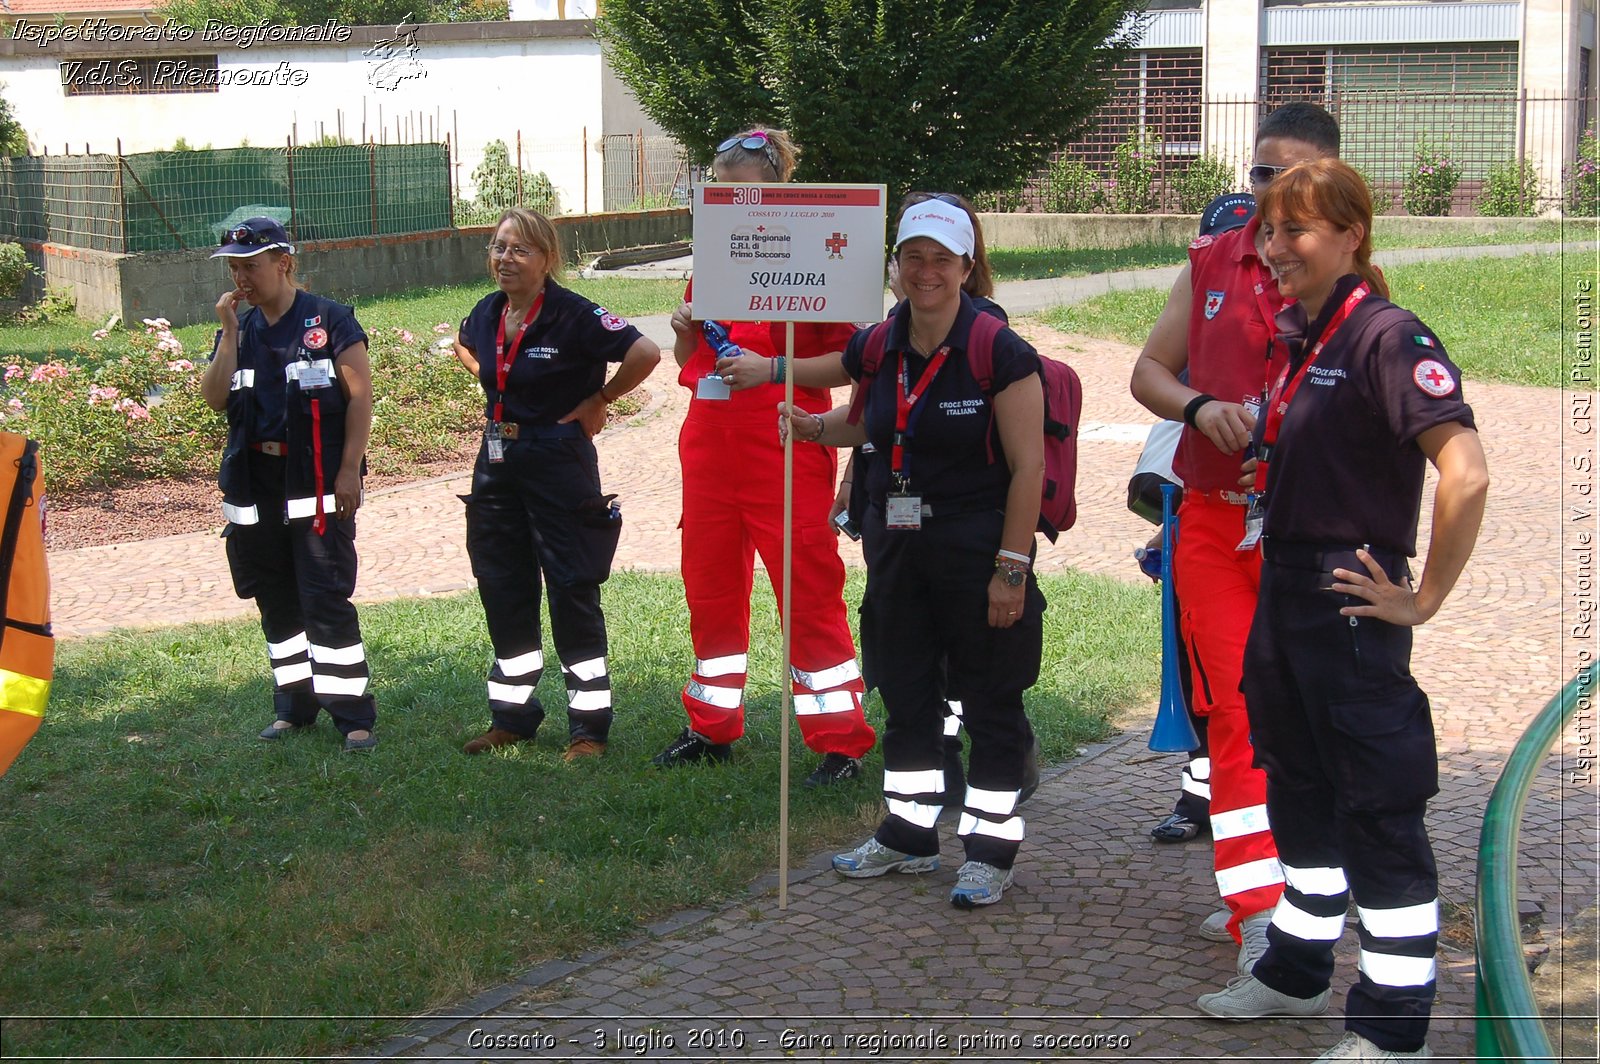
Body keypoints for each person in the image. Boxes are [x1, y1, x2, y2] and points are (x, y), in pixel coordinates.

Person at [1196, 159, 1488, 1064]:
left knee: (1376, 811)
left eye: (1299, 231)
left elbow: (1466, 471)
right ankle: (1293, 972)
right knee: (1300, 792)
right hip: (1283, 591)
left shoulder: (1387, 337)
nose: (1277, 249)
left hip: (1350, 601)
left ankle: (1391, 1030)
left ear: (1352, 235)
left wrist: (1423, 597)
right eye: (1271, 233)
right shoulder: (1298, 336)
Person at [780, 198, 1046, 908]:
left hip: (976, 546)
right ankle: (908, 834)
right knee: (906, 696)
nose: (926, 272)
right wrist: (811, 429)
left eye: (941, 259)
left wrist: (1010, 571)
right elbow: (866, 421)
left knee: (990, 702)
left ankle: (990, 850)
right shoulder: (882, 344)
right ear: (895, 265)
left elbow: (1030, 470)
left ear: (965, 266)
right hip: (898, 548)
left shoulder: (999, 351)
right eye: (913, 257)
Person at [1129, 101, 1342, 978]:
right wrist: (1198, 407)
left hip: (1309, 531)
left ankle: (1320, 885)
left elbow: (1369, 401)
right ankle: (1258, 910)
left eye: (1290, 175)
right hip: (1214, 529)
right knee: (1238, 713)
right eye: (1259, 172)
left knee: (1318, 712)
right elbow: (1147, 369)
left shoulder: (1351, 272)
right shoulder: (1211, 260)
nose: (1269, 190)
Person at [653, 127, 876, 786]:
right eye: (721, 188)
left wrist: (774, 367)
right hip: (710, 447)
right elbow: (693, 366)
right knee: (712, 590)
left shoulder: (820, 253)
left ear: (778, 187)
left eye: (742, 186)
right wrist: (684, 336)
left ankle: (840, 741)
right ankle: (712, 724)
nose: (730, 198)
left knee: (808, 593)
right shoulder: (715, 261)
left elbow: (856, 360)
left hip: (785, 445)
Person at [453, 208, 660, 762]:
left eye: (520, 250)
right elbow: (464, 345)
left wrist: (601, 399)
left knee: (571, 587)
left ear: (548, 259)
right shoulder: (488, 312)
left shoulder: (573, 314)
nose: (505, 259)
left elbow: (646, 352)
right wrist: (497, 388)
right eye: (499, 248)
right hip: (497, 459)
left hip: (557, 457)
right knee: (502, 583)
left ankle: (587, 729)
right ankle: (512, 719)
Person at [201, 217, 379, 753]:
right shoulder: (241, 329)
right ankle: (293, 708)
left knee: (324, 597)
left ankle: (352, 716)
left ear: (283, 263)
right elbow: (214, 397)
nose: (242, 277)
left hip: (319, 478)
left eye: (250, 265)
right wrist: (230, 333)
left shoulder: (329, 319)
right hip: (258, 485)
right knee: (276, 601)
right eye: (234, 267)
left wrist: (351, 469)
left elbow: (360, 397)